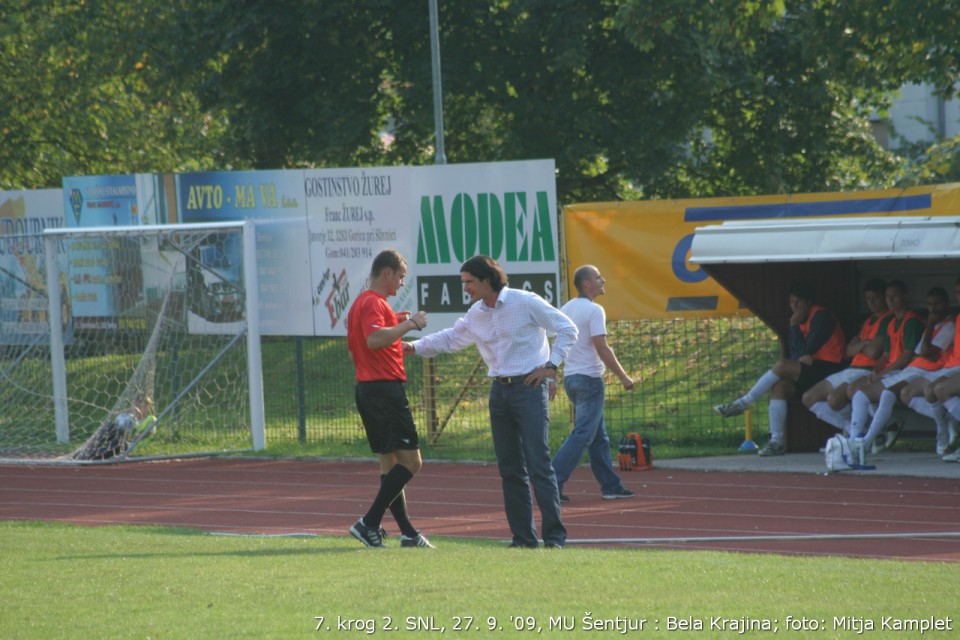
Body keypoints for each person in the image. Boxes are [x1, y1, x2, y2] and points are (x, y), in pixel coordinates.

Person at [404, 255, 577, 549]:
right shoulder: (476, 313)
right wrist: (413, 346)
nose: (466, 288)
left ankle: (555, 539)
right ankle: (523, 539)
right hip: (499, 392)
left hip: (529, 389)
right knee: (510, 469)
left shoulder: (525, 301)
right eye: (464, 282)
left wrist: (552, 366)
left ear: (488, 279)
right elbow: (451, 338)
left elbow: (567, 328)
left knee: (538, 465)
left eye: (469, 282)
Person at [346, 249, 433, 548]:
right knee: (412, 462)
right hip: (384, 391)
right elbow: (373, 340)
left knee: (389, 464)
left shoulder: (364, 303)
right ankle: (368, 522)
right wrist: (410, 325)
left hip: (370, 389)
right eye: (400, 277)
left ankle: (407, 533)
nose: (401, 284)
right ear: (387, 273)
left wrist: (395, 320)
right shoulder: (372, 302)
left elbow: (372, 335)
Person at [714, 282, 845, 456]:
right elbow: (798, 353)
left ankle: (744, 402)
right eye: (791, 302)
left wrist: (793, 326)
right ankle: (776, 442)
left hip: (831, 370)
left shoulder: (820, 316)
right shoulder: (800, 320)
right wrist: (800, 347)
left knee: (783, 365)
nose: (794, 306)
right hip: (813, 370)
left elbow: (805, 350)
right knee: (780, 387)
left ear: (809, 302)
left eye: (798, 302)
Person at [552, 265, 634, 502]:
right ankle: (551, 481)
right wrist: (623, 375)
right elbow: (601, 346)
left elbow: (560, 343)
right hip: (589, 380)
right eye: (598, 277)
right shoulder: (594, 310)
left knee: (599, 437)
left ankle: (610, 485)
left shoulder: (566, 309)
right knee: (583, 435)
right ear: (587, 283)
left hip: (572, 379)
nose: (603, 280)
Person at [848, 286, 950, 456]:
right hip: (910, 370)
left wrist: (930, 322)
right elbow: (900, 354)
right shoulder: (925, 326)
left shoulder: (946, 325)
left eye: (937, 304)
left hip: (927, 372)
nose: (932, 309)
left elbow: (924, 352)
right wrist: (876, 371)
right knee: (860, 395)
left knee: (888, 395)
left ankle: (866, 443)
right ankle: (854, 439)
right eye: (929, 304)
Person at [801, 278, 892, 433]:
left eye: (875, 298)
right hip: (851, 368)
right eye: (868, 299)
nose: (871, 302)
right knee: (809, 398)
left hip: (867, 370)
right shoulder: (868, 321)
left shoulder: (888, 319)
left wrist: (859, 345)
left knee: (834, 399)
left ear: (884, 297)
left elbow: (874, 352)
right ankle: (852, 429)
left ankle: (859, 433)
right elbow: (848, 351)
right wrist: (865, 343)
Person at [70, 394, 156, 461]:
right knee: (110, 426)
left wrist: (131, 436)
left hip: (130, 445)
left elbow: (147, 434)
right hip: (120, 438)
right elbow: (114, 415)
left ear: (148, 406)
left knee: (120, 444)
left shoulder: (150, 419)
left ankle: (92, 456)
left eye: (143, 405)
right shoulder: (130, 416)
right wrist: (130, 411)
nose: (140, 407)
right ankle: (86, 452)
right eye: (137, 404)